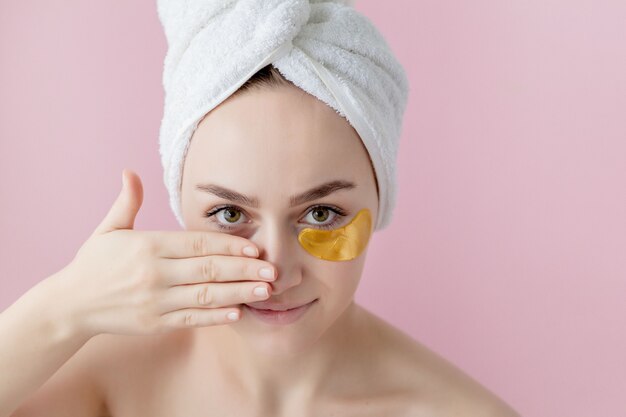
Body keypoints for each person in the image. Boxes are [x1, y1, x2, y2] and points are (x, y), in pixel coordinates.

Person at [1, 64, 520, 416]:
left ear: (380, 200)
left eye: (321, 213)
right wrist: (59, 310)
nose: (273, 273)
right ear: (182, 207)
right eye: (229, 213)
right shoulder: (105, 370)